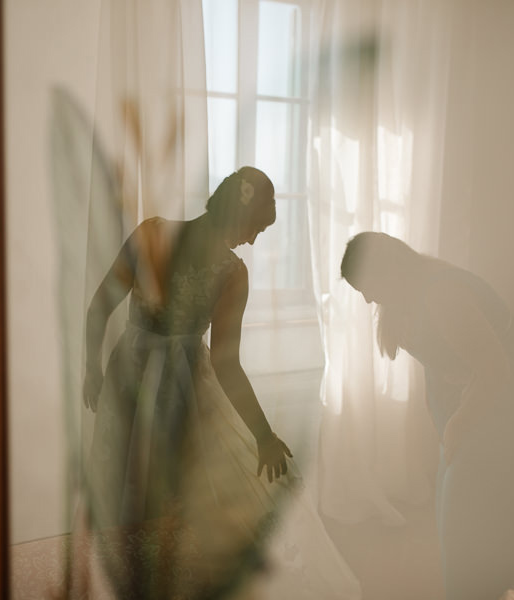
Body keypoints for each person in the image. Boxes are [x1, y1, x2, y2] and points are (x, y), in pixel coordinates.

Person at [82, 167, 360, 600]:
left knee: (147, 499)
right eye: (256, 227)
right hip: (165, 390)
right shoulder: (227, 270)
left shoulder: (157, 236)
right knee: (141, 496)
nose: (253, 240)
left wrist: (93, 368)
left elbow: (101, 306)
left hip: (152, 384)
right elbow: (225, 364)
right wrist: (263, 435)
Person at [340, 231, 514, 600]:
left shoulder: (442, 295)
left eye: (367, 286)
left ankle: (497, 587)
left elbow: (495, 369)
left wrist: (459, 424)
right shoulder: (406, 298)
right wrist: (446, 423)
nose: (367, 298)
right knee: (456, 501)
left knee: (471, 503)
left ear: (387, 270)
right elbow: (441, 365)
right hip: (487, 394)